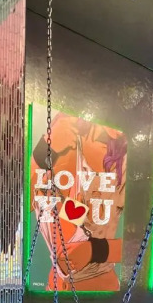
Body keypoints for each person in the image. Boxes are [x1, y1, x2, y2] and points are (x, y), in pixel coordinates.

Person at [31, 112, 126, 291]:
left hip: (99, 290)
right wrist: (46, 147)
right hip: (54, 290)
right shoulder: (66, 137)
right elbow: (24, 202)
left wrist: (93, 250)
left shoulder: (122, 161)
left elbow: (137, 247)